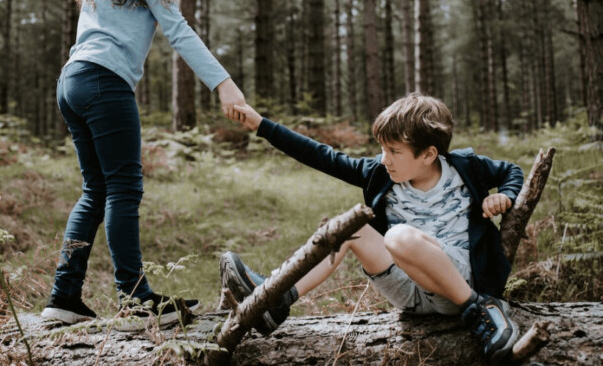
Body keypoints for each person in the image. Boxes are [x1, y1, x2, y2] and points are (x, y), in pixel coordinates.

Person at [41, 0, 245, 330]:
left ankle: (64, 296)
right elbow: (178, 30)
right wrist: (225, 85)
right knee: (123, 189)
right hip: (103, 82)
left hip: (72, 80)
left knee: (96, 190)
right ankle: (135, 301)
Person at [221, 93, 523, 362]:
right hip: (410, 291)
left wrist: (503, 196)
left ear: (429, 154)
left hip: (457, 283)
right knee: (350, 228)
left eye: (394, 151)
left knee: (398, 236)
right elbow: (320, 155)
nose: (384, 159)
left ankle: (481, 309)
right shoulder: (379, 174)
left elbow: (512, 171)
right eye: (382, 149)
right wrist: (261, 124)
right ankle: (276, 300)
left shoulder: (465, 168)